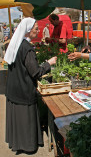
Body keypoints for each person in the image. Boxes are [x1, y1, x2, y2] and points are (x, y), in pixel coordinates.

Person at [4, 17, 57, 154]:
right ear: (27, 31)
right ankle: (28, 146)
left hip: (13, 88)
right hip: (23, 90)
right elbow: (35, 72)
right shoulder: (27, 49)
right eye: (36, 29)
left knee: (17, 119)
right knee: (26, 120)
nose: (38, 30)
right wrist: (48, 64)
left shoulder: (16, 44)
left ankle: (17, 143)